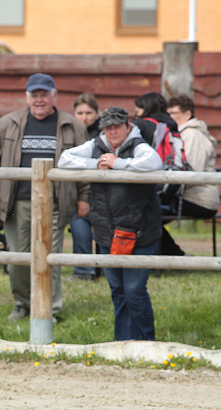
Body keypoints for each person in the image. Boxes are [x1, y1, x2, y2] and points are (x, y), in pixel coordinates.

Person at [0, 73, 88, 321]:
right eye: (35, 95)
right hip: (17, 201)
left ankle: (51, 309)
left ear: (54, 97)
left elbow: (83, 165)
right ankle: (23, 304)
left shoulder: (73, 126)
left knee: (50, 257)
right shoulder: (8, 122)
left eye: (44, 95)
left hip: (56, 202)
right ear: (27, 98)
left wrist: (84, 196)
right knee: (18, 259)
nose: (40, 100)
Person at [58, 107, 162, 341]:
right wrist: (96, 164)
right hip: (107, 230)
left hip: (140, 229)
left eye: (117, 127)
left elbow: (155, 162)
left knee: (134, 290)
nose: (113, 132)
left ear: (127, 126)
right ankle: (122, 341)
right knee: (117, 289)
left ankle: (145, 341)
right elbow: (64, 159)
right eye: (108, 128)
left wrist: (118, 164)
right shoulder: (96, 144)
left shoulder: (138, 145)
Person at [161, 95, 220, 255]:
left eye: (173, 113)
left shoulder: (192, 135)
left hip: (200, 200)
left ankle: (177, 257)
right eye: (168, 113)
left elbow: (192, 173)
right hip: (188, 196)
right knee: (148, 214)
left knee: (149, 214)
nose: (169, 117)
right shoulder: (182, 134)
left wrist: (167, 189)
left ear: (187, 114)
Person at [68, 92, 102, 280]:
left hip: (102, 190)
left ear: (97, 113)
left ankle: (103, 267)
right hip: (79, 190)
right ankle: (83, 270)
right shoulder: (69, 133)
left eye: (89, 113)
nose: (84, 117)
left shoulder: (104, 134)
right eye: (80, 113)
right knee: (78, 221)